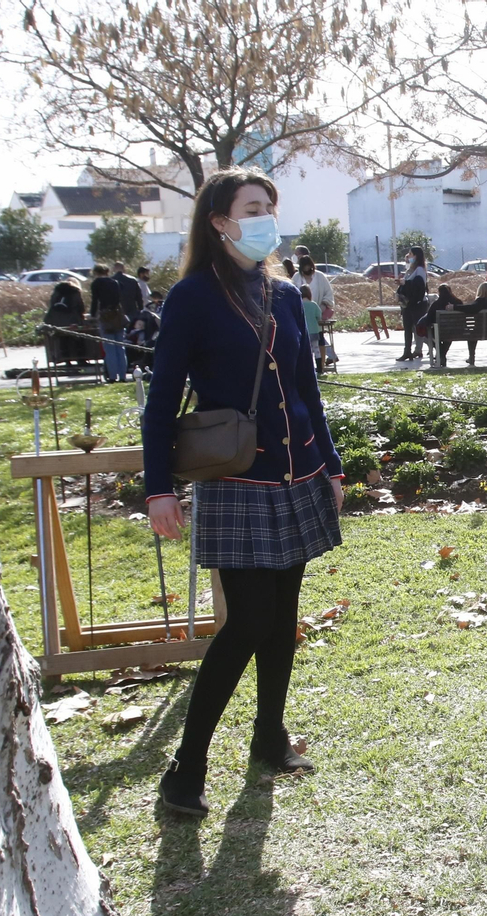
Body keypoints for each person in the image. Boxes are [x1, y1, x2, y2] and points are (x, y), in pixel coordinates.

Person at [141, 167, 344, 818]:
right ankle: (186, 768)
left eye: (270, 207)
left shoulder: (285, 296)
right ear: (220, 222)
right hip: (234, 479)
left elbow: (308, 391)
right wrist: (158, 489)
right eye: (253, 208)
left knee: (283, 618)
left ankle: (268, 737)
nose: (266, 218)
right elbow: (162, 400)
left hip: (300, 473)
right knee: (247, 623)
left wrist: (333, 465)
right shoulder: (192, 297)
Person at [90, 263, 131, 382]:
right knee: (120, 347)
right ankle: (123, 376)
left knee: (109, 348)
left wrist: (92, 315)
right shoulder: (115, 283)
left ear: (96, 273)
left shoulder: (96, 283)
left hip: (106, 317)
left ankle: (113, 376)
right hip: (118, 316)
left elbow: (95, 300)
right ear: (107, 272)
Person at [456, 280, 487, 365]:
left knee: (472, 335)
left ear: (481, 290)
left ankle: (472, 357)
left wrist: (454, 307)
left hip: (480, 330)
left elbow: (470, 308)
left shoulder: (481, 301)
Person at [397, 246, 429, 361]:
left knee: (419, 328)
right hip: (408, 304)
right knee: (408, 328)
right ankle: (407, 351)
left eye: (410, 254)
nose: (408, 256)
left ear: (416, 256)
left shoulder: (420, 269)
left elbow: (419, 286)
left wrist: (405, 283)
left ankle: (431, 347)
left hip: (417, 304)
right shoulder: (411, 269)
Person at [419, 282, 462, 366]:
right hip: (455, 331)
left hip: (438, 331)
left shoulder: (436, 304)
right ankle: (442, 356)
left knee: (430, 334)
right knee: (449, 336)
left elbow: (429, 319)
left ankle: (441, 355)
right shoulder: (458, 302)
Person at [300, 284, 324, 372]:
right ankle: (320, 368)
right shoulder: (313, 304)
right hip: (314, 330)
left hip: (303, 331)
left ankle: (307, 368)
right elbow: (319, 316)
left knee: (306, 351)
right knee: (316, 349)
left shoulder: (299, 305)